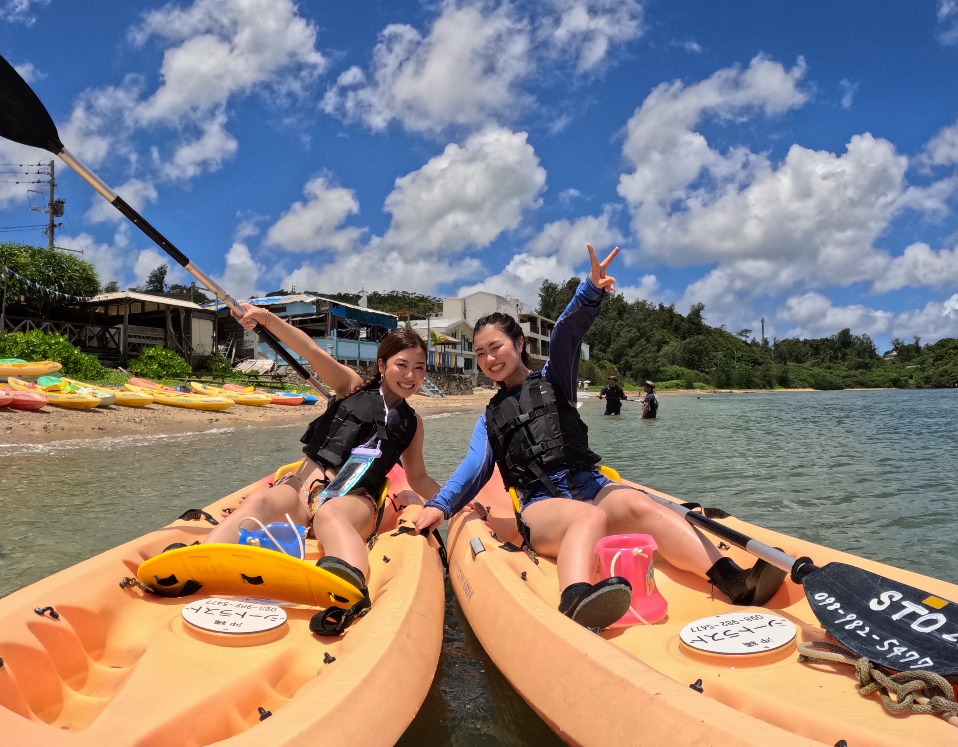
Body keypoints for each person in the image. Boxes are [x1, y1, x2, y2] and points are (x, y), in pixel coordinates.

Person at [411, 244, 783, 628]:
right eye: (481, 353)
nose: (490, 359)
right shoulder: (490, 418)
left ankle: (734, 580)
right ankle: (574, 598)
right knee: (584, 518)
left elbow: (566, 335)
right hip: (542, 507)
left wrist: (590, 292)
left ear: (519, 344)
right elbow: (473, 469)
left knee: (643, 507)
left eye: (497, 347)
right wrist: (440, 506)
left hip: (590, 485)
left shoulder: (555, 381)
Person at [206, 306, 440, 603]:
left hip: (354, 503)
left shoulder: (412, 424)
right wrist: (265, 318)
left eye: (420, 368)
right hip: (302, 491)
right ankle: (204, 559)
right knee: (261, 500)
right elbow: (310, 349)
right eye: (402, 365)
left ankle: (347, 583)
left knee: (330, 514)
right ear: (382, 365)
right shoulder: (351, 386)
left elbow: (417, 477)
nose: (411, 375)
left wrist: (455, 501)